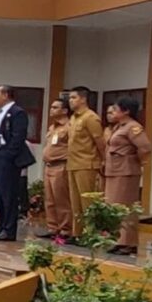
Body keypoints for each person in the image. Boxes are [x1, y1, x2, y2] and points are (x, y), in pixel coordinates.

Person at [0, 86, 33, 242]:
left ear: (5, 94)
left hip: (5, 158)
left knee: (8, 195)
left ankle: (9, 230)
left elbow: (18, 137)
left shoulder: (17, 113)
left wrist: (8, 155)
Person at [101, 98, 150, 255]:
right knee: (114, 206)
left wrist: (135, 161)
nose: (112, 113)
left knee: (125, 207)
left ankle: (128, 243)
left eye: (116, 109)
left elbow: (145, 147)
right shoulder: (118, 127)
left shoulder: (133, 127)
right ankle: (118, 240)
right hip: (114, 171)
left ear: (126, 111)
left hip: (126, 171)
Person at [62, 88, 103, 232]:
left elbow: (99, 142)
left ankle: (91, 233)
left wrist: (103, 161)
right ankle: (77, 233)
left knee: (87, 202)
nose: (70, 100)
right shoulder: (73, 118)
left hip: (87, 164)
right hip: (73, 164)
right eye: (70, 98)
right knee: (75, 203)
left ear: (83, 99)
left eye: (74, 97)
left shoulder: (90, 117)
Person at [39, 103, 71, 241]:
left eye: (55, 107)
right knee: (49, 199)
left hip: (61, 165)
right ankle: (53, 227)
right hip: (49, 166)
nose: (51, 109)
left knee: (61, 199)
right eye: (51, 107)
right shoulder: (53, 127)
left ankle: (65, 229)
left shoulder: (70, 127)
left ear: (64, 110)